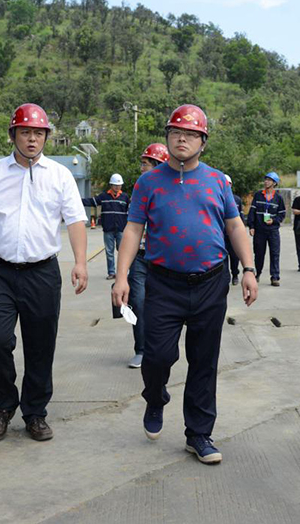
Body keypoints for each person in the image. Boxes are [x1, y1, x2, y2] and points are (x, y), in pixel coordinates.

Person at [113, 104, 258, 465]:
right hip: (163, 283)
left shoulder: (218, 181)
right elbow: (133, 229)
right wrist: (121, 276)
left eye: (191, 134)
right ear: (167, 137)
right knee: (157, 355)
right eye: (176, 132)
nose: (182, 139)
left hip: (210, 282)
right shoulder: (148, 182)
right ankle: (155, 396)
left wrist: (249, 269)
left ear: (203, 142)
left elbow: (235, 226)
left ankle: (199, 434)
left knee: (204, 361)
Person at [0, 103, 88, 443]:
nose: (32, 139)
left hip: (41, 273)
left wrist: (80, 262)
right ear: (13, 135)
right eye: (25, 132)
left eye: (38, 133)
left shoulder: (60, 176)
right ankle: (3, 407)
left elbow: (75, 220)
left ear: (46, 137)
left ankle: (35, 413)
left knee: (40, 345)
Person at [121, 143, 171, 368]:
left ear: (158, 165)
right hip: (140, 258)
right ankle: (141, 350)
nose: (142, 168)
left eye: (145, 164)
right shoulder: (139, 190)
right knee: (138, 302)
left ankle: (159, 349)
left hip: (163, 259)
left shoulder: (172, 191)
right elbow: (132, 227)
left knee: (163, 306)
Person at [83, 173, 131, 279]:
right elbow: (91, 201)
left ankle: (122, 273)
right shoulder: (103, 196)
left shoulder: (125, 197)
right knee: (109, 252)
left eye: (119, 185)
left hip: (121, 229)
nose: (117, 187)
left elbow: (131, 211)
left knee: (122, 252)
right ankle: (111, 272)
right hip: (108, 229)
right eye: (115, 185)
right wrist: (77, 201)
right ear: (111, 185)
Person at [248, 172, 286, 286]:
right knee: (259, 253)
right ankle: (257, 273)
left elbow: (282, 214)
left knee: (275, 253)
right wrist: (251, 226)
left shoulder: (278, 198)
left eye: (269, 180)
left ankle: (275, 277)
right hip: (259, 230)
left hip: (273, 230)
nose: (266, 182)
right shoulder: (258, 195)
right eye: (265, 179)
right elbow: (252, 212)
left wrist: (274, 221)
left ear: (274, 183)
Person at [223, 174, 245, 286]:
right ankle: (225, 276)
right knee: (223, 257)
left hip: (232, 234)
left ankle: (235, 274)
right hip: (221, 234)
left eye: (228, 184)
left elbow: (240, 216)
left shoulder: (237, 199)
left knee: (234, 256)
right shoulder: (216, 197)